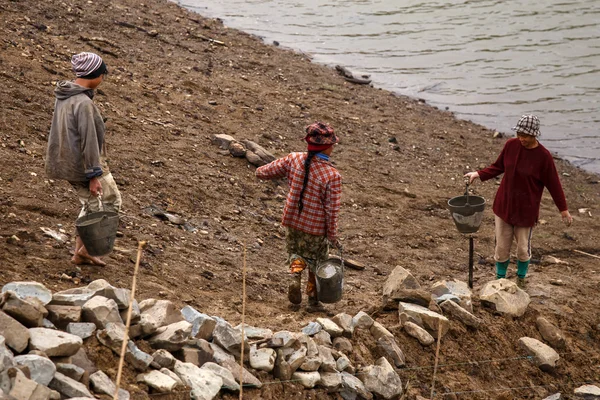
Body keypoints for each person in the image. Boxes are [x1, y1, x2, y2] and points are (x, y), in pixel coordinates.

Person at [464, 115, 572, 288]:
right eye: (519, 133)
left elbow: (554, 185)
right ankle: (500, 279)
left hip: (526, 210)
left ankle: (521, 279)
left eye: (526, 135)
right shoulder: (511, 145)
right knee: (501, 247)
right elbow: (497, 167)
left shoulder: (544, 157)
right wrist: (478, 174)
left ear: (535, 134)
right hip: (504, 206)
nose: (521, 138)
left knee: (523, 249)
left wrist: (563, 209)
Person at [256, 122, 342, 310]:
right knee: (316, 262)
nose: (334, 146)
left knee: (296, 252)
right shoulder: (332, 175)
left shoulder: (293, 159)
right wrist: (332, 235)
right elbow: (331, 210)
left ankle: (294, 277)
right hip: (316, 228)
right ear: (327, 147)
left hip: (292, 221)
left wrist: (259, 171)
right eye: (333, 144)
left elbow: (265, 171)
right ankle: (313, 300)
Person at [46, 52, 122, 266]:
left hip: (66, 161)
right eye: (102, 75)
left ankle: (80, 252)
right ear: (94, 76)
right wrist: (93, 175)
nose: (103, 80)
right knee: (109, 202)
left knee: (91, 205)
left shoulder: (65, 95)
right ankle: (85, 250)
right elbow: (88, 141)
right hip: (84, 165)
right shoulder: (84, 103)